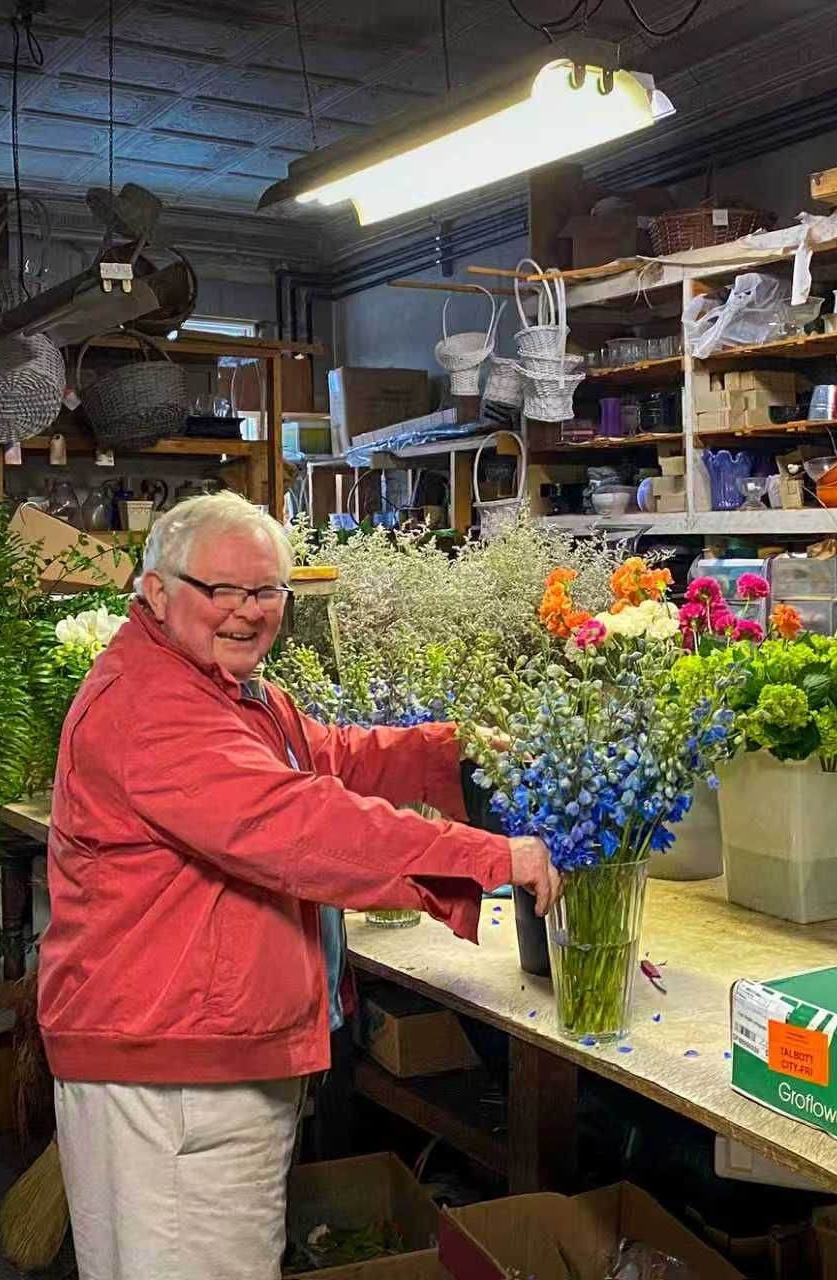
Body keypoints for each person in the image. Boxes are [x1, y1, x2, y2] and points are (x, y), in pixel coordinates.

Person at [37, 493, 559, 1280]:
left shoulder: (226, 687)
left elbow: (323, 756)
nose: (247, 613)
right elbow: (298, 822)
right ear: (153, 592)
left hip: (191, 1048)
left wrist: (446, 752)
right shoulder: (156, 707)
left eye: (267, 591)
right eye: (221, 591)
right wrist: (488, 856)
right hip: (175, 1069)